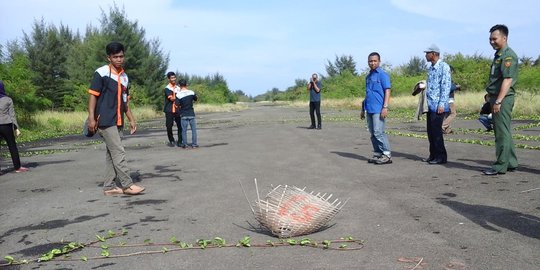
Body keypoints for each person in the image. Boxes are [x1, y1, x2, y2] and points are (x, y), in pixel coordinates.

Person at [87, 42, 145, 195]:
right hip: (104, 120)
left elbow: (125, 102)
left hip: (118, 120)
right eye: (115, 57)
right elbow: (93, 96)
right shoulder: (101, 73)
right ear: (109, 57)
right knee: (119, 151)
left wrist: (131, 119)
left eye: (121, 56)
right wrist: (91, 118)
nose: (119, 59)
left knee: (111, 153)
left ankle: (109, 186)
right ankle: (127, 185)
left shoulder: (125, 77)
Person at [482, 24, 518, 176]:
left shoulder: (508, 56)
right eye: (490, 39)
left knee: (501, 133)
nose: (491, 42)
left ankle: (500, 165)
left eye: (494, 39)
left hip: (502, 99)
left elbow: (507, 80)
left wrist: (498, 101)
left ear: (504, 38)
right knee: (504, 131)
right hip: (495, 97)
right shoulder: (499, 55)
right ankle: (510, 162)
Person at [360, 52, 392, 165]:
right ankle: (378, 153)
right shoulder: (368, 77)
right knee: (373, 132)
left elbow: (387, 90)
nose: (372, 63)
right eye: (370, 61)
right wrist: (362, 109)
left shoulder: (383, 75)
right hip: (369, 108)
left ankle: (387, 154)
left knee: (379, 132)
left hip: (379, 108)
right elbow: (368, 93)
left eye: (375, 61)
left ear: (379, 61)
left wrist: (385, 107)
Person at [422, 44, 451, 165]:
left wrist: (442, 104)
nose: (425, 55)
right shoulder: (431, 68)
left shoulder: (444, 67)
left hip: (439, 105)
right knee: (430, 132)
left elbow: (445, 86)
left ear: (434, 54)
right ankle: (433, 154)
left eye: (427, 53)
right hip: (430, 104)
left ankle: (441, 156)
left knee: (437, 132)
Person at [0, 80, 29, 174]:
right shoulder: (8, 99)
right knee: (12, 146)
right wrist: (16, 128)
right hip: (6, 125)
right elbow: (12, 115)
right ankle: (17, 167)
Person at [176, 79, 199, 148]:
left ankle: (185, 144)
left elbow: (177, 104)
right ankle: (194, 144)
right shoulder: (191, 92)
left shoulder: (178, 94)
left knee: (184, 131)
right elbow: (196, 99)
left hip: (183, 114)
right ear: (186, 85)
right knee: (194, 130)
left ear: (179, 85)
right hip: (191, 114)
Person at [163, 71, 183, 147]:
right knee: (169, 126)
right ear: (169, 79)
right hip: (169, 110)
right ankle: (171, 140)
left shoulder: (178, 88)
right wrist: (180, 96)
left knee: (180, 126)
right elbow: (171, 98)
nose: (173, 79)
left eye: (174, 77)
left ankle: (180, 141)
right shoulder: (167, 89)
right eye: (172, 78)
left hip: (178, 109)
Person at [442, 66, 461, 134]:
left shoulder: (443, 77)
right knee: (453, 113)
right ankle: (443, 126)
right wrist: (456, 87)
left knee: (447, 114)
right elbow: (448, 88)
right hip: (449, 99)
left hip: (445, 99)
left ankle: (447, 129)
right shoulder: (447, 78)